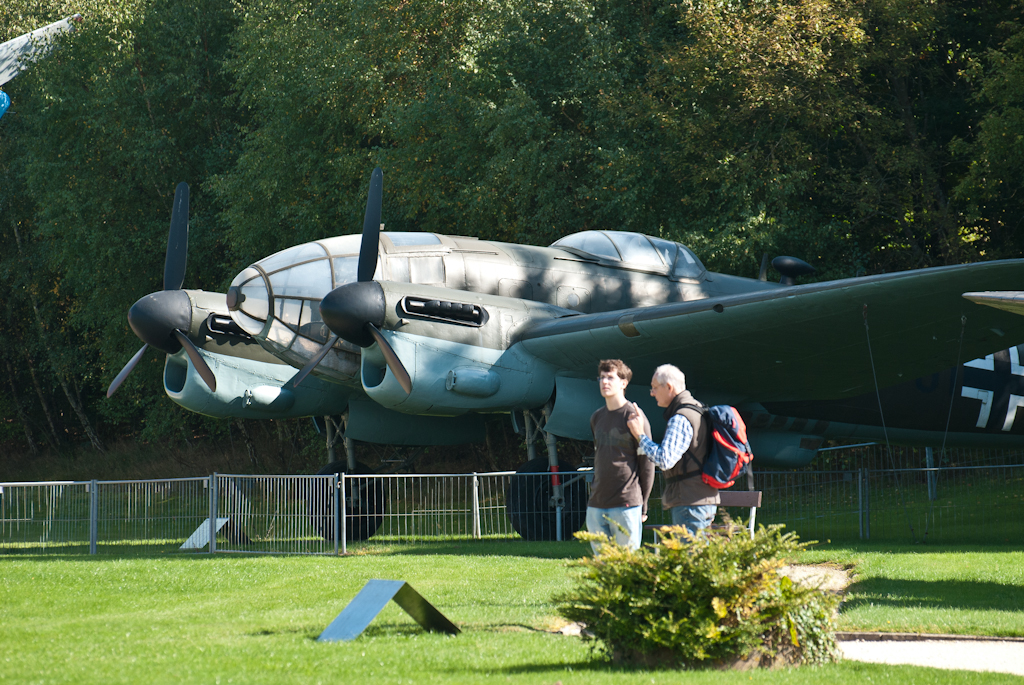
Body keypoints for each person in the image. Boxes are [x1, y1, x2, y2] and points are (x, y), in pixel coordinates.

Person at [626, 364, 720, 536]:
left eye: (654, 388)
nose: (652, 393)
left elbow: (664, 460)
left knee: (691, 557)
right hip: (703, 498)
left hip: (689, 501)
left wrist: (639, 435)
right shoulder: (698, 408)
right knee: (700, 557)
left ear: (669, 387)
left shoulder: (681, 418)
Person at [586, 359, 654, 553]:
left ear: (624, 383)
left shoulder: (634, 417)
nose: (604, 382)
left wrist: (643, 503)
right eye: (602, 377)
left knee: (626, 568)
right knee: (602, 569)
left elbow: (646, 464)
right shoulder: (596, 417)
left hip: (627, 504)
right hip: (597, 505)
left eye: (610, 377)